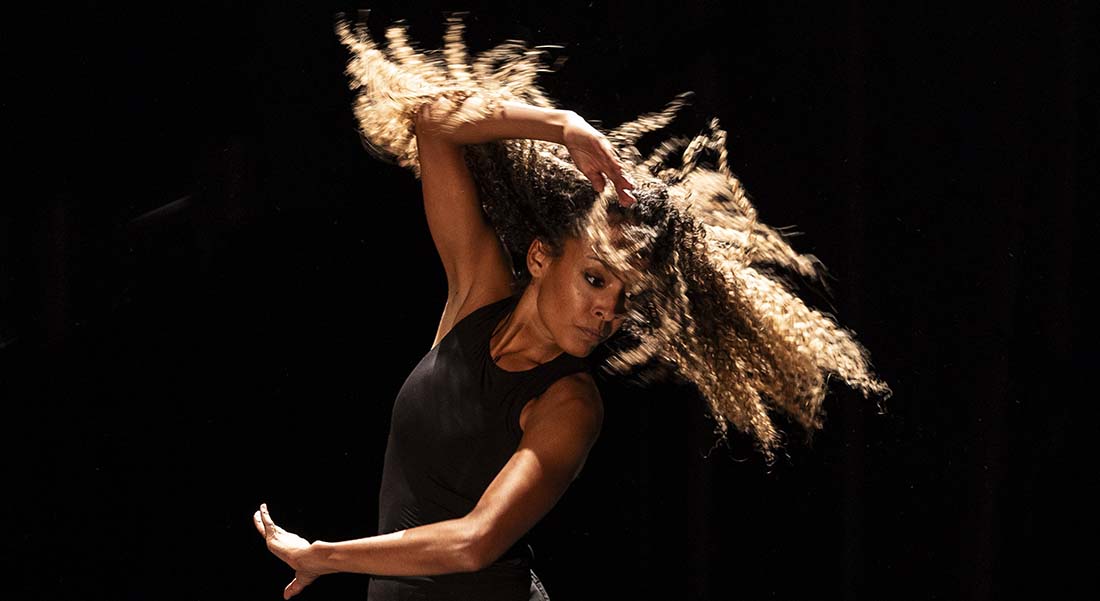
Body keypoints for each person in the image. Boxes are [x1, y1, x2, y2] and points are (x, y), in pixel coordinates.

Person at [253, 10, 892, 600]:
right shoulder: (475, 295)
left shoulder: (571, 403)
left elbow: (475, 543)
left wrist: (327, 556)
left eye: (625, 296)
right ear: (540, 257)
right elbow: (433, 117)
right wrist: (561, 126)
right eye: (595, 279)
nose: (608, 312)